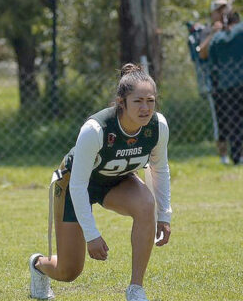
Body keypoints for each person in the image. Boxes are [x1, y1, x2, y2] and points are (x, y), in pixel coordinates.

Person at [29, 64, 172, 301]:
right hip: (74, 186)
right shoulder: (95, 129)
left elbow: (160, 169)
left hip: (116, 182)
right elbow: (77, 185)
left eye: (150, 100)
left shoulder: (158, 126)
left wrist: (165, 215)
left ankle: (136, 289)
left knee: (147, 204)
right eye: (138, 101)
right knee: (68, 271)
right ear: (121, 102)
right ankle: (38, 265)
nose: (145, 108)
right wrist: (92, 234)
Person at [197, 0, 243, 164]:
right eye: (218, 10)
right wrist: (215, 32)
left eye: (223, 9)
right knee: (225, 123)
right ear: (212, 14)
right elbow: (202, 53)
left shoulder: (236, 30)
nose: (221, 12)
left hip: (238, 81)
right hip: (218, 85)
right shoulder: (208, 31)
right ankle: (226, 157)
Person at [208, 12, 243, 165]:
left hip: (225, 86)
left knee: (233, 121)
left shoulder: (216, 38)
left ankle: (237, 156)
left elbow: (212, 65)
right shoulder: (241, 31)